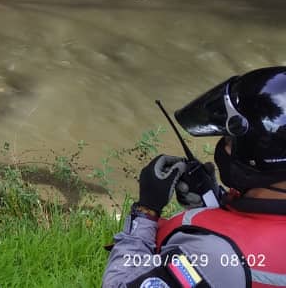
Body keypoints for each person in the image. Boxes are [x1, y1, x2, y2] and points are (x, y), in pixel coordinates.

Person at [102, 67, 286, 288]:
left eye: (228, 139)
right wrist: (213, 199)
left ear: (257, 153)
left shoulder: (214, 258)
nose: (224, 146)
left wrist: (146, 211)